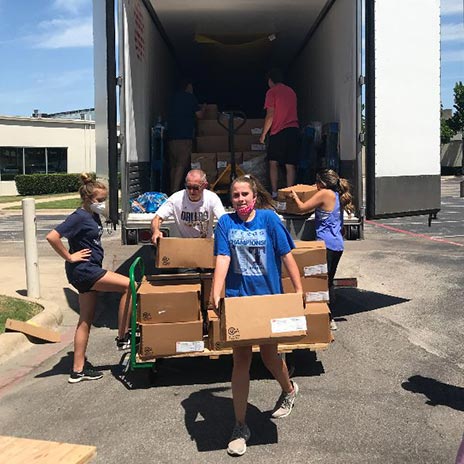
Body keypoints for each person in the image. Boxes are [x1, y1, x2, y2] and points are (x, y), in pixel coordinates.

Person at [211, 174, 303, 457]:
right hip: (241, 301)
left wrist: (299, 290)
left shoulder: (269, 220)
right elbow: (223, 258)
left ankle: (288, 390)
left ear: (254, 197)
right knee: (241, 360)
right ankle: (240, 426)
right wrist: (216, 291)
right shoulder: (226, 223)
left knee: (269, 356)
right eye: (235, 195)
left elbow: (287, 255)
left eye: (244, 195)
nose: (240, 200)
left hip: (269, 299)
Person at [46, 173, 132, 383]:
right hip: (84, 271)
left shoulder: (92, 216)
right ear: (88, 199)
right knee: (130, 286)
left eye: (104, 200)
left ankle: (77, 370)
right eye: (100, 200)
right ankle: (123, 336)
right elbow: (52, 236)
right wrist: (69, 256)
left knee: (85, 319)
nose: (103, 204)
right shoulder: (79, 217)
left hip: (87, 269)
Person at [290, 169, 355, 330]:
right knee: (329, 281)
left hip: (325, 245)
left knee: (322, 282)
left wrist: (294, 196)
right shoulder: (336, 194)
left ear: (322, 183)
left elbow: (302, 208)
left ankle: (327, 317)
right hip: (337, 244)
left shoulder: (324, 194)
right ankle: (328, 316)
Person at [151, 169, 226, 242]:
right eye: (188, 187)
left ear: (204, 185)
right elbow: (157, 218)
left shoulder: (212, 198)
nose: (191, 191)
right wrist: (156, 231)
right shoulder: (176, 199)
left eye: (195, 188)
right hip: (186, 243)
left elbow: (224, 220)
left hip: (207, 242)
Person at [259, 68, 299, 198]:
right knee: (290, 164)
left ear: (270, 81)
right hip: (293, 130)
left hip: (278, 131)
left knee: (273, 162)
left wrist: (264, 134)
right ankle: (290, 193)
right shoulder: (291, 91)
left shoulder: (271, 92)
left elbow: (270, 114)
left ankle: (275, 193)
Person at [167, 78, 206, 194]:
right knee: (181, 164)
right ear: (188, 86)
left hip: (171, 136)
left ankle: (171, 189)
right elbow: (200, 115)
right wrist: (204, 107)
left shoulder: (173, 98)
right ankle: (174, 191)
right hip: (184, 136)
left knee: (173, 165)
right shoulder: (190, 98)